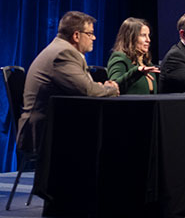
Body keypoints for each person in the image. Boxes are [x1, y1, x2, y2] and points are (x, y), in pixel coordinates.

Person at [17, 11, 119, 153]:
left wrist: (98, 88)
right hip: (45, 128)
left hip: (57, 122)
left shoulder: (63, 50)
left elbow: (85, 86)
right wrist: (110, 89)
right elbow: (87, 90)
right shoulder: (63, 54)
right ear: (76, 36)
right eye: (90, 34)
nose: (94, 38)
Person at [106, 17, 159, 94]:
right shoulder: (119, 58)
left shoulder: (147, 63)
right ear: (130, 37)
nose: (148, 40)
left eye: (148, 35)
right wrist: (136, 72)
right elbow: (113, 86)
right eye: (143, 35)